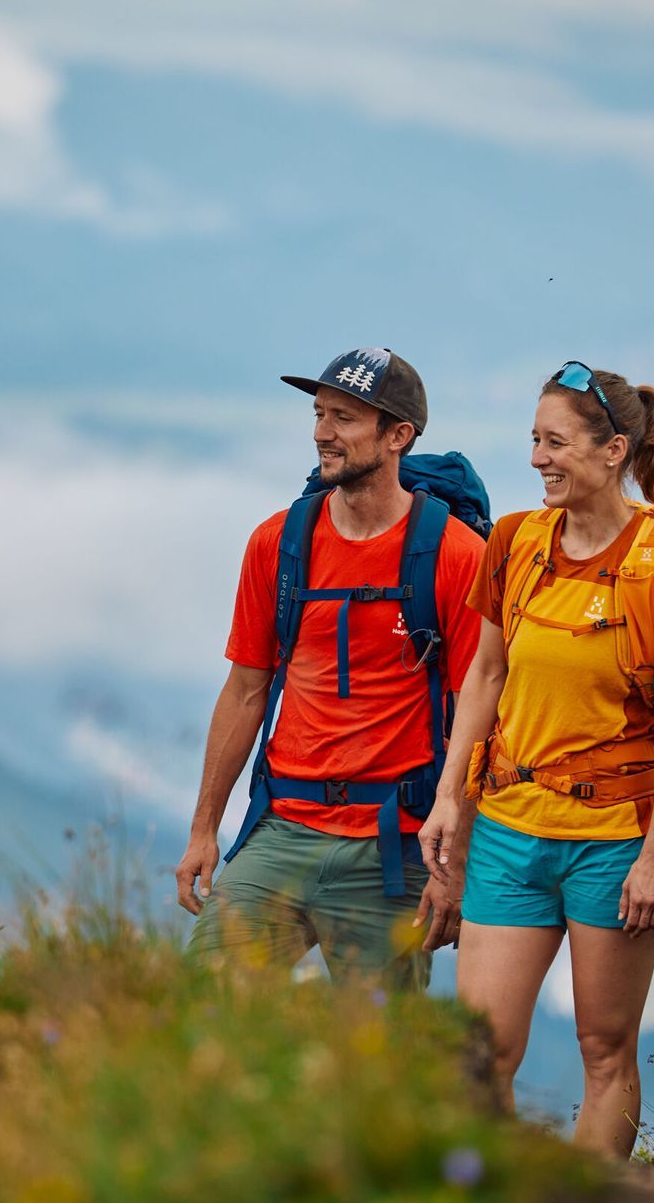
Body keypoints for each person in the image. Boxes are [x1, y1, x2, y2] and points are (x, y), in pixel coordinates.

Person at [416, 363, 654, 1158]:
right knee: (480, 1056)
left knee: (605, 1052)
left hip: (616, 841)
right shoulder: (515, 541)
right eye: (534, 441)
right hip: (512, 829)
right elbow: (485, 675)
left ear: (614, 450)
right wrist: (452, 798)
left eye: (555, 443)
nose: (537, 459)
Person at [177, 348, 487, 990]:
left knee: (380, 1060)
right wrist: (204, 828)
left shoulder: (457, 557)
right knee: (198, 1011)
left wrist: (454, 865)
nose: (322, 431)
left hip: (392, 845)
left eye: (344, 417)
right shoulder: (279, 543)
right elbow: (244, 692)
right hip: (282, 827)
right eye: (320, 413)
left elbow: (480, 717)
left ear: (398, 435)